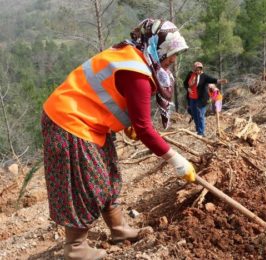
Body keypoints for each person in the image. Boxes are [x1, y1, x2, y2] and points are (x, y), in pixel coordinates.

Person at [41, 18, 195, 260]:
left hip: (91, 122)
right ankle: (75, 247)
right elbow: (145, 128)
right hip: (69, 119)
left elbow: (113, 96)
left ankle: (119, 229)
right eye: (171, 53)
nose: (173, 60)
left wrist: (127, 122)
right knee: (88, 184)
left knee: (110, 173)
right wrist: (176, 159)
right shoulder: (136, 71)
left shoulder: (134, 56)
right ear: (157, 46)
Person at [183, 62, 228, 136]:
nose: (198, 71)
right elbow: (185, 83)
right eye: (197, 69)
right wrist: (187, 88)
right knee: (194, 114)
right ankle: (198, 130)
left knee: (200, 115)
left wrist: (220, 81)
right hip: (192, 98)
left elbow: (212, 80)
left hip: (201, 99)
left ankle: (201, 132)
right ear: (194, 69)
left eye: (200, 69)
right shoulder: (190, 74)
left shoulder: (204, 76)